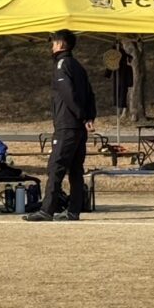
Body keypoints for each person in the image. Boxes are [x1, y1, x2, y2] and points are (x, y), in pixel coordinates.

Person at [24, 29, 96, 222]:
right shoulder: (79, 66)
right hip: (79, 127)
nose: (52, 47)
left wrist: (82, 116)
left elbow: (68, 94)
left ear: (61, 45)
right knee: (76, 169)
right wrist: (89, 117)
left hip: (67, 125)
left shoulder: (62, 65)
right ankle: (73, 210)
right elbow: (90, 95)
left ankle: (47, 209)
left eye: (54, 43)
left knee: (56, 166)